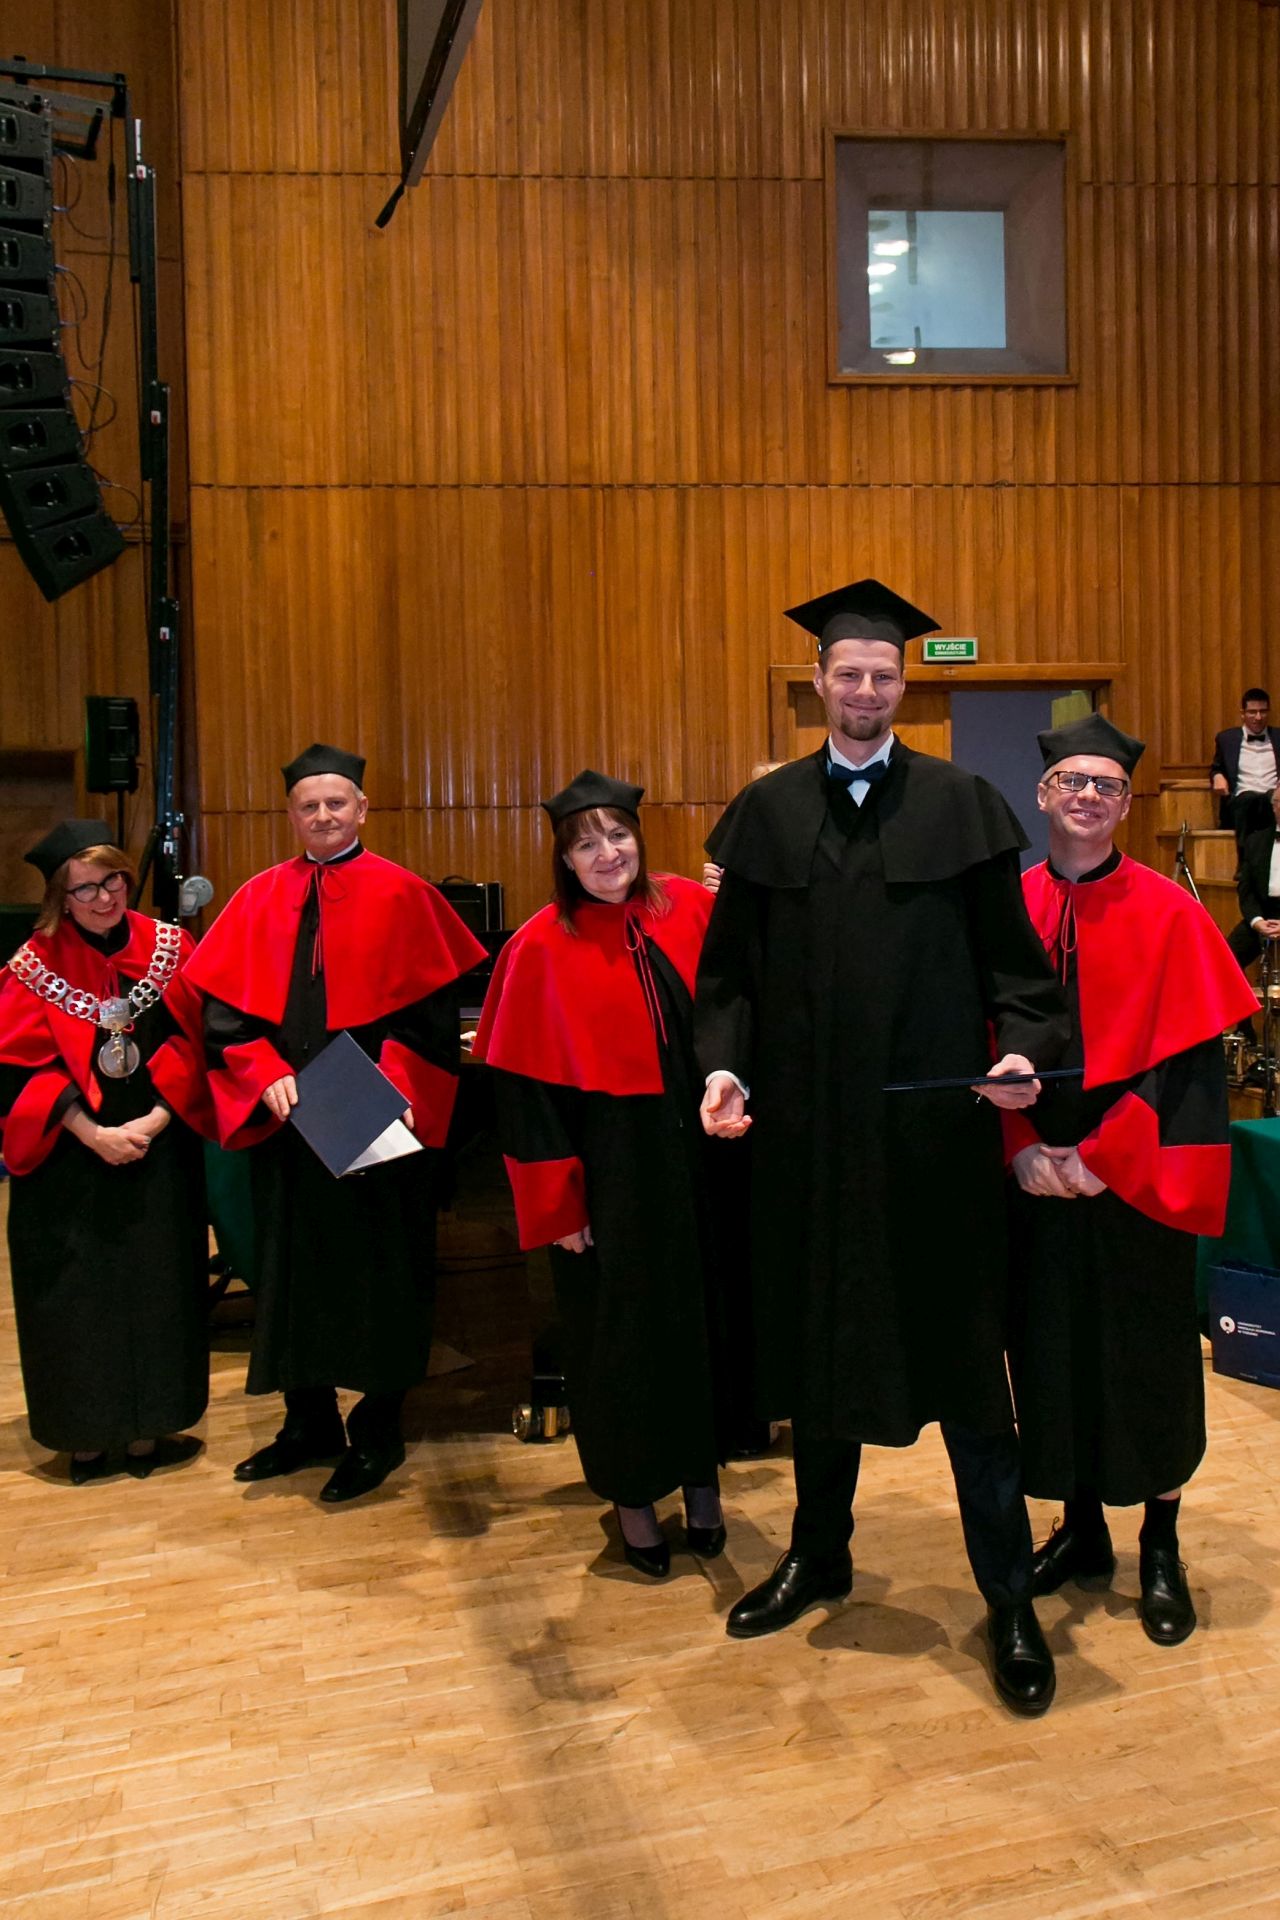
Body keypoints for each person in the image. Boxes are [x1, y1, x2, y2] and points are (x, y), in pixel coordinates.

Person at [695, 577, 1070, 1716]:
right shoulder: (766, 813)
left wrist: (1023, 1054)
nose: (865, 689)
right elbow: (727, 978)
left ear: (904, 685)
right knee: (820, 1351)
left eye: (883, 674)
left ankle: (1008, 1598)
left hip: (931, 1148)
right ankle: (820, 1554)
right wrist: (721, 1067)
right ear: (818, 683)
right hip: (808, 1147)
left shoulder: (961, 804)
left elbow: (1019, 975)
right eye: (847, 673)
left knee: (968, 1377)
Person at [1005, 713, 1257, 1644]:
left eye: (1105, 786)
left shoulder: (1170, 911)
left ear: (1125, 805)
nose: (1087, 796)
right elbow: (977, 1046)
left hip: (1135, 1182)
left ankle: (1158, 1542)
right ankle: (1080, 1529)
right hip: (1035, 1179)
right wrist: (1019, 1149)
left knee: (1146, 1361)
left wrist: (1104, 1161)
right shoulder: (1006, 909)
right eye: (1071, 781)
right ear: (1043, 794)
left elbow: (1189, 1072)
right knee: (1051, 1355)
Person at [183, 744, 487, 1503]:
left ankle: (378, 1430)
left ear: (362, 809)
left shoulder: (405, 895)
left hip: (375, 1118)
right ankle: (308, 1423)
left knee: (383, 1274)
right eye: (308, 806)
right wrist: (264, 1071)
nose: (322, 816)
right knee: (293, 1274)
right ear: (291, 815)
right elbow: (225, 1019)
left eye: (336, 803)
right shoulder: (258, 897)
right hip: (287, 1120)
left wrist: (386, 1088)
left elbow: (432, 1019)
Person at [473, 770, 727, 1578]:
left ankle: (704, 1483)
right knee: (617, 1343)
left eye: (617, 836)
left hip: (696, 1165)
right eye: (586, 844)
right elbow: (524, 1099)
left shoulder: (689, 910)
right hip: (607, 1179)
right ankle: (633, 1501)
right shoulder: (539, 947)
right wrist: (560, 1206)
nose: (607, 853)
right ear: (565, 859)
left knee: (704, 1327)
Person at [0, 821, 213, 1483]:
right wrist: (93, 1134)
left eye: (113, 880)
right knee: (77, 1298)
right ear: (61, 899)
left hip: (158, 1149)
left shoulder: (171, 948)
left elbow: (197, 1042)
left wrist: (154, 1120)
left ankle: (151, 1431)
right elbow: (16, 1069)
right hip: (67, 1158)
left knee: (158, 1285)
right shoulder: (31, 965)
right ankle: (86, 1439)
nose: (103, 897)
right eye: (85, 888)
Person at [1211, 688, 1280, 849]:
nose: (1258, 717)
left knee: (1269, 802)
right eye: (1252, 712)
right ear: (1242, 713)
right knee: (1249, 800)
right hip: (1242, 800)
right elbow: (1216, 768)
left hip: (1273, 798)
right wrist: (1217, 776)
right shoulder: (1226, 739)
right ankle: (1248, 860)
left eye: (1263, 712)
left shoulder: (1278, 737)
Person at [1224, 782, 1280, 973]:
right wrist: (1257, 921)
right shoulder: (1255, 841)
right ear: (1273, 806)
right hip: (1263, 912)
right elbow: (1246, 890)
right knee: (1223, 960)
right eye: (1279, 802)